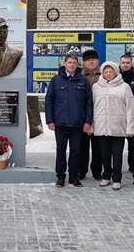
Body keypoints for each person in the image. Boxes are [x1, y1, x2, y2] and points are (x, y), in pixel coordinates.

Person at [45, 54, 93, 188]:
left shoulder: (83, 81)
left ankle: (74, 176)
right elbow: (49, 101)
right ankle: (60, 176)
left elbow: (89, 103)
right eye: (69, 62)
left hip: (78, 123)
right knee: (61, 150)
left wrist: (88, 121)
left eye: (74, 63)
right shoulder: (56, 80)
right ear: (64, 63)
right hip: (60, 122)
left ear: (78, 65)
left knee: (76, 150)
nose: (72, 65)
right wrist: (50, 120)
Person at [93, 61, 134, 190]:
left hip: (118, 126)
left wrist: (131, 128)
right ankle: (106, 176)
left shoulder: (124, 87)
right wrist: (91, 126)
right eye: (106, 72)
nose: (108, 74)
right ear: (102, 73)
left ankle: (117, 178)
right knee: (105, 154)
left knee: (117, 154)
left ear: (115, 72)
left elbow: (130, 108)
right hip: (102, 126)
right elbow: (92, 108)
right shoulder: (96, 87)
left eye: (111, 71)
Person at [79, 49, 103, 181]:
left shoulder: (104, 75)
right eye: (88, 60)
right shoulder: (79, 76)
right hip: (83, 116)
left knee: (98, 147)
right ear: (84, 62)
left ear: (98, 61)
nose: (91, 62)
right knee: (82, 146)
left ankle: (97, 171)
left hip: (99, 115)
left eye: (93, 59)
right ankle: (81, 171)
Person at [119, 53, 134, 173]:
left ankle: (133, 167)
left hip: (131, 115)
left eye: (128, 63)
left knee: (133, 145)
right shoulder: (115, 76)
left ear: (131, 64)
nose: (125, 65)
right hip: (118, 115)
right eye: (123, 63)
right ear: (120, 64)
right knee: (116, 145)